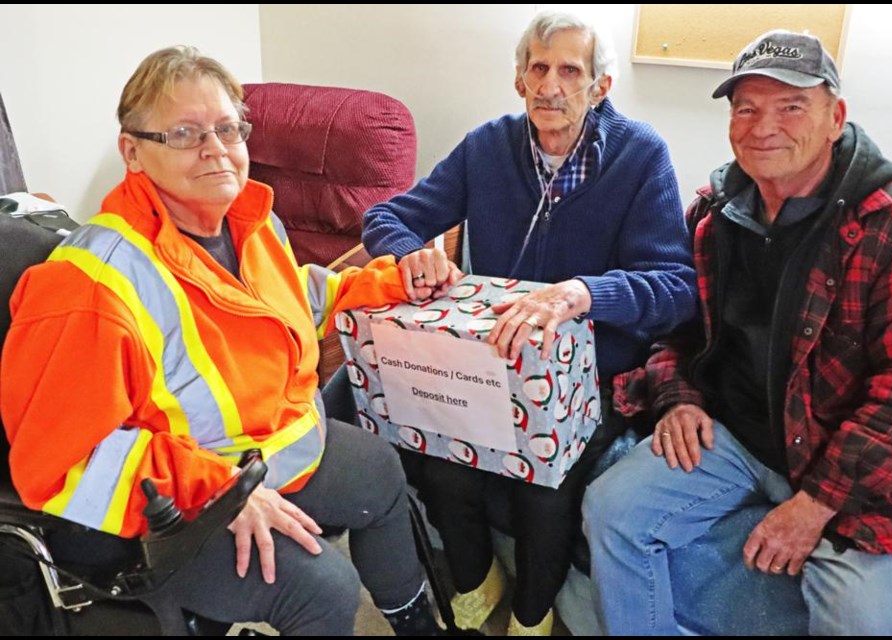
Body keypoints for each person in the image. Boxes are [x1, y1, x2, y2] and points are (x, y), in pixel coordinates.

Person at [0, 46, 441, 636]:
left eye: (228, 128)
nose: (215, 148)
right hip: (167, 514)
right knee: (325, 592)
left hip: (267, 450)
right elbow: (58, 462)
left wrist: (393, 282)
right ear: (132, 151)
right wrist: (223, 491)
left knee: (381, 474)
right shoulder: (87, 287)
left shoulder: (252, 222)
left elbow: (299, 297)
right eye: (184, 133)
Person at [583, 29, 892, 635]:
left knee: (863, 617)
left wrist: (815, 506)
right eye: (746, 108)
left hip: (850, 464)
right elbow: (676, 332)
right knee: (611, 509)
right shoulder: (713, 212)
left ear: (835, 117)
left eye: (791, 106)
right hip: (737, 437)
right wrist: (678, 398)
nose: (764, 127)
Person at [362, 10, 697, 636]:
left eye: (570, 70)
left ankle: (533, 614)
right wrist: (413, 254)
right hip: (489, 359)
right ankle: (475, 579)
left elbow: (676, 288)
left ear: (600, 86)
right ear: (518, 80)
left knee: (546, 482)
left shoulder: (640, 155)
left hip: (591, 370)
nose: (551, 85)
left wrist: (583, 294)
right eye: (537, 68)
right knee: (440, 461)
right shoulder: (487, 145)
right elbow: (386, 216)